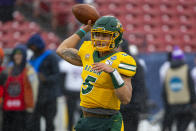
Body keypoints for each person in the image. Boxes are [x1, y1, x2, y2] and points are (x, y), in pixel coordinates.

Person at [56, 16, 137, 131]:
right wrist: (84, 30)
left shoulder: (122, 60)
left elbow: (126, 98)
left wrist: (113, 73)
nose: (99, 39)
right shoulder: (88, 52)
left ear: (116, 37)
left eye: (105, 35)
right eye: (97, 34)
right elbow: (61, 50)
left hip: (108, 121)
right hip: (85, 118)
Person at [26, 33, 60, 131]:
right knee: (34, 122)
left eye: (32, 46)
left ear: (38, 45)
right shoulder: (32, 57)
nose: (31, 48)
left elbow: (57, 76)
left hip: (50, 97)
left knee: (49, 123)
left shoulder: (51, 57)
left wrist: (45, 78)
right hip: (36, 97)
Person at [2, 45, 38, 131]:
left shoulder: (30, 70)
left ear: (24, 56)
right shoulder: (8, 70)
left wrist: (32, 107)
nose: (17, 56)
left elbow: (35, 89)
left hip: (22, 110)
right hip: (7, 109)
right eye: (15, 54)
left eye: (20, 54)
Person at [161, 46, 196, 131]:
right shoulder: (186, 69)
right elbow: (190, 87)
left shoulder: (168, 71)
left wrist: (167, 105)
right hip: (185, 105)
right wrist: (194, 101)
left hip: (172, 105)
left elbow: (165, 91)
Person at [119, 39, 148, 131]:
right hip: (116, 108)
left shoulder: (134, 64)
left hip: (130, 109)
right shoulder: (112, 63)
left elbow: (140, 86)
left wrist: (135, 105)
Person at [59, 59, 83, 131]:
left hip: (82, 92)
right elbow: (62, 78)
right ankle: (69, 128)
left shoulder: (86, 62)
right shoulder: (66, 63)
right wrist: (64, 92)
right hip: (70, 91)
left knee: (82, 113)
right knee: (70, 113)